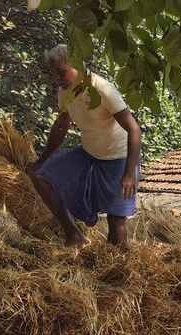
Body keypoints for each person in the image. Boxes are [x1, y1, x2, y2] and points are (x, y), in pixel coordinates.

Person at [28, 44, 141, 247]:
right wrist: (42, 160)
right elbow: (61, 126)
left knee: (116, 223)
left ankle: (118, 271)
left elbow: (134, 129)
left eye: (61, 72)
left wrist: (129, 173)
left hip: (119, 159)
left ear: (77, 64)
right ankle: (74, 235)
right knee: (41, 176)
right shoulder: (66, 92)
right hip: (89, 155)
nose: (57, 78)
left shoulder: (101, 89)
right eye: (53, 74)